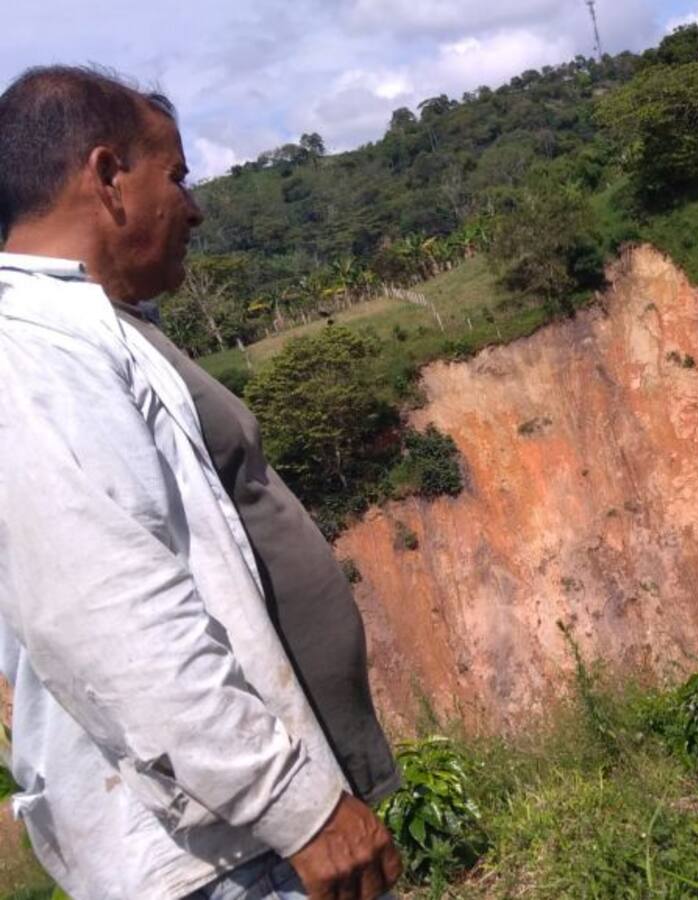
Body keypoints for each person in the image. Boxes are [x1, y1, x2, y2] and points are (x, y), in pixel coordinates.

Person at [0, 66, 402, 899]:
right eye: (175, 176)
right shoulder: (28, 352)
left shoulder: (91, 330)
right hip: (221, 856)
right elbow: (105, 609)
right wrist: (296, 808)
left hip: (247, 836)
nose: (195, 207)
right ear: (109, 176)